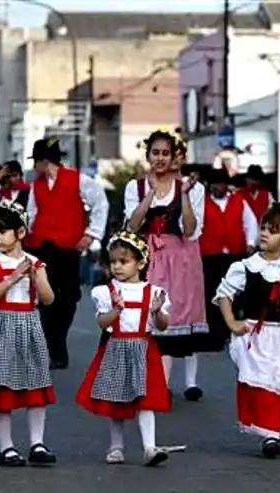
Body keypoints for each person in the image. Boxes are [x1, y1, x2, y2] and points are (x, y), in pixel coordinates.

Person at [214, 202, 280, 459]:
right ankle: (267, 431)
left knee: (279, 382)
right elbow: (225, 294)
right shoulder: (246, 266)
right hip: (256, 334)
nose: (264, 233)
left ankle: (273, 434)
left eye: (273, 230)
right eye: (263, 228)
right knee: (258, 382)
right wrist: (231, 322)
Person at [0, 200, 57, 467]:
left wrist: (37, 277)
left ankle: (37, 443)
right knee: (3, 387)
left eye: (2, 231)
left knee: (35, 384)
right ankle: (7, 447)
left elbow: (48, 299)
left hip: (29, 324)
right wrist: (13, 278)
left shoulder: (36, 262)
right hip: (2, 325)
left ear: (20, 233)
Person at [76, 230, 172, 466]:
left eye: (124, 261)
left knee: (146, 400)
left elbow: (163, 326)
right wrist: (116, 310)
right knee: (116, 399)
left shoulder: (153, 293)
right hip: (117, 347)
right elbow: (102, 322)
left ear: (140, 263)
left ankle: (150, 446)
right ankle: (116, 446)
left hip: (143, 349)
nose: (117, 267)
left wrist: (157, 311)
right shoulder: (106, 292)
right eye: (114, 262)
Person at [124, 128, 207, 401]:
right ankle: (149, 382)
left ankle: (162, 385)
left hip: (179, 258)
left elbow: (191, 230)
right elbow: (133, 226)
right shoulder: (135, 187)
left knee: (171, 321)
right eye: (155, 153)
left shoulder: (192, 189)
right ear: (148, 155)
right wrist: (149, 194)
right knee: (143, 318)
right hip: (147, 257)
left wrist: (183, 195)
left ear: (173, 157)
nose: (160, 158)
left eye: (165, 153)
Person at [25, 137, 109, 370]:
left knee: (70, 297)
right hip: (41, 246)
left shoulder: (79, 180)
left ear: (44, 161)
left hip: (68, 247)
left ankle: (57, 340)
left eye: (36, 162)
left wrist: (91, 234)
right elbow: (32, 214)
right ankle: (56, 350)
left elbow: (100, 204)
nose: (34, 167)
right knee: (46, 297)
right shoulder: (37, 186)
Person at [198, 167, 258, 352]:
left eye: (221, 183)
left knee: (234, 296)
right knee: (212, 296)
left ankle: (229, 331)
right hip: (211, 255)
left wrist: (249, 242)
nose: (218, 187)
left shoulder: (238, 201)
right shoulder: (202, 203)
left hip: (233, 254)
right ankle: (214, 334)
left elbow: (251, 222)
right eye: (215, 184)